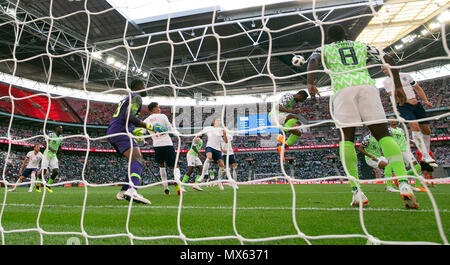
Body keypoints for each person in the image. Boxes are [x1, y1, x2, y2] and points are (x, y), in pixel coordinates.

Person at [307, 24, 418, 209]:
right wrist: (398, 85)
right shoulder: (363, 46)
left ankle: (357, 191)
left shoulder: (324, 48)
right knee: (384, 135)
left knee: (347, 139)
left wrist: (310, 83)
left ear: (329, 38)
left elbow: (313, 60)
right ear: (347, 34)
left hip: (343, 88)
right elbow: (389, 58)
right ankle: (404, 182)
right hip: (367, 87)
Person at [107, 80, 167, 204]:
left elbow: (123, 117)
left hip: (115, 131)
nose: (146, 88)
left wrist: (134, 130)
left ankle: (123, 192)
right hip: (121, 132)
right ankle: (132, 190)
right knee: (138, 160)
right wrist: (150, 127)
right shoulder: (137, 97)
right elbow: (129, 116)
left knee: (133, 161)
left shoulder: (127, 98)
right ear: (138, 87)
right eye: (144, 86)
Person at [381, 66, 437, 168]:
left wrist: (425, 100)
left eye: (385, 69)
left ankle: (426, 153)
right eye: (383, 70)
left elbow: (417, 88)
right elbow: (393, 95)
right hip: (404, 106)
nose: (384, 71)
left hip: (416, 105)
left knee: (426, 130)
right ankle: (425, 154)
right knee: (414, 126)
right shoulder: (387, 82)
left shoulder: (406, 76)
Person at [142, 102, 184, 196]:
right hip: (167, 144)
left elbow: (141, 133)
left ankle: (166, 189)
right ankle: (177, 181)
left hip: (157, 146)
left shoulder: (146, 120)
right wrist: (177, 134)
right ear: (154, 109)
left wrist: (144, 141)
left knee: (162, 166)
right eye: (158, 107)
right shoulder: (163, 116)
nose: (160, 109)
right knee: (175, 166)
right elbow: (170, 128)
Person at [386, 117, 426, 192]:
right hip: (396, 151)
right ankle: (389, 186)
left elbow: (405, 138)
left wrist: (412, 142)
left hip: (406, 150)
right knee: (389, 167)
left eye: (394, 118)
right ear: (388, 122)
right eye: (391, 119)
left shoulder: (400, 129)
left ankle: (417, 186)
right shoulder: (388, 130)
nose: (393, 120)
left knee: (417, 166)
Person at [268, 90, 309, 161]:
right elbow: (278, 107)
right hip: (274, 116)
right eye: (303, 99)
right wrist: (292, 112)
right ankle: (281, 135)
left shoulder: (292, 101)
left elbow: (287, 114)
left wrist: (297, 121)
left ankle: (283, 147)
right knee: (294, 116)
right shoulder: (288, 96)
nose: (302, 102)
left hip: (280, 118)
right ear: (300, 96)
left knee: (298, 133)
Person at [197, 118, 228, 191]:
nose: (219, 122)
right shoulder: (208, 128)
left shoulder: (220, 130)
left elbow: (226, 141)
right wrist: (196, 137)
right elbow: (200, 133)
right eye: (217, 120)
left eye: (219, 121)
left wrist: (225, 134)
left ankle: (219, 181)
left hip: (217, 149)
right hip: (209, 147)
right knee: (209, 157)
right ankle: (202, 175)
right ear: (213, 122)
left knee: (222, 165)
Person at [36, 125, 63, 193]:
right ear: (56, 129)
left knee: (56, 171)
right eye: (60, 128)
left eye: (62, 129)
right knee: (44, 171)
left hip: (53, 156)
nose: (61, 130)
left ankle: (48, 185)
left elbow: (59, 148)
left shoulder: (61, 137)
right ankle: (37, 183)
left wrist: (60, 158)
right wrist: (50, 149)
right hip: (46, 155)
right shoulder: (51, 135)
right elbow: (44, 143)